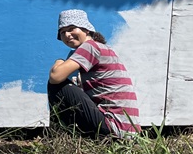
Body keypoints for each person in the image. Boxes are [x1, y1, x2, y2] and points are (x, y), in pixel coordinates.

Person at [47, 10, 140, 138]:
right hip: (127, 132)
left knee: (57, 85)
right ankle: (72, 138)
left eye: (72, 28)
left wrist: (59, 61)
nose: (67, 35)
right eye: (62, 32)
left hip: (114, 128)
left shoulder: (89, 47)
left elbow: (55, 77)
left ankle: (57, 138)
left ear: (86, 30)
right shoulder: (101, 47)